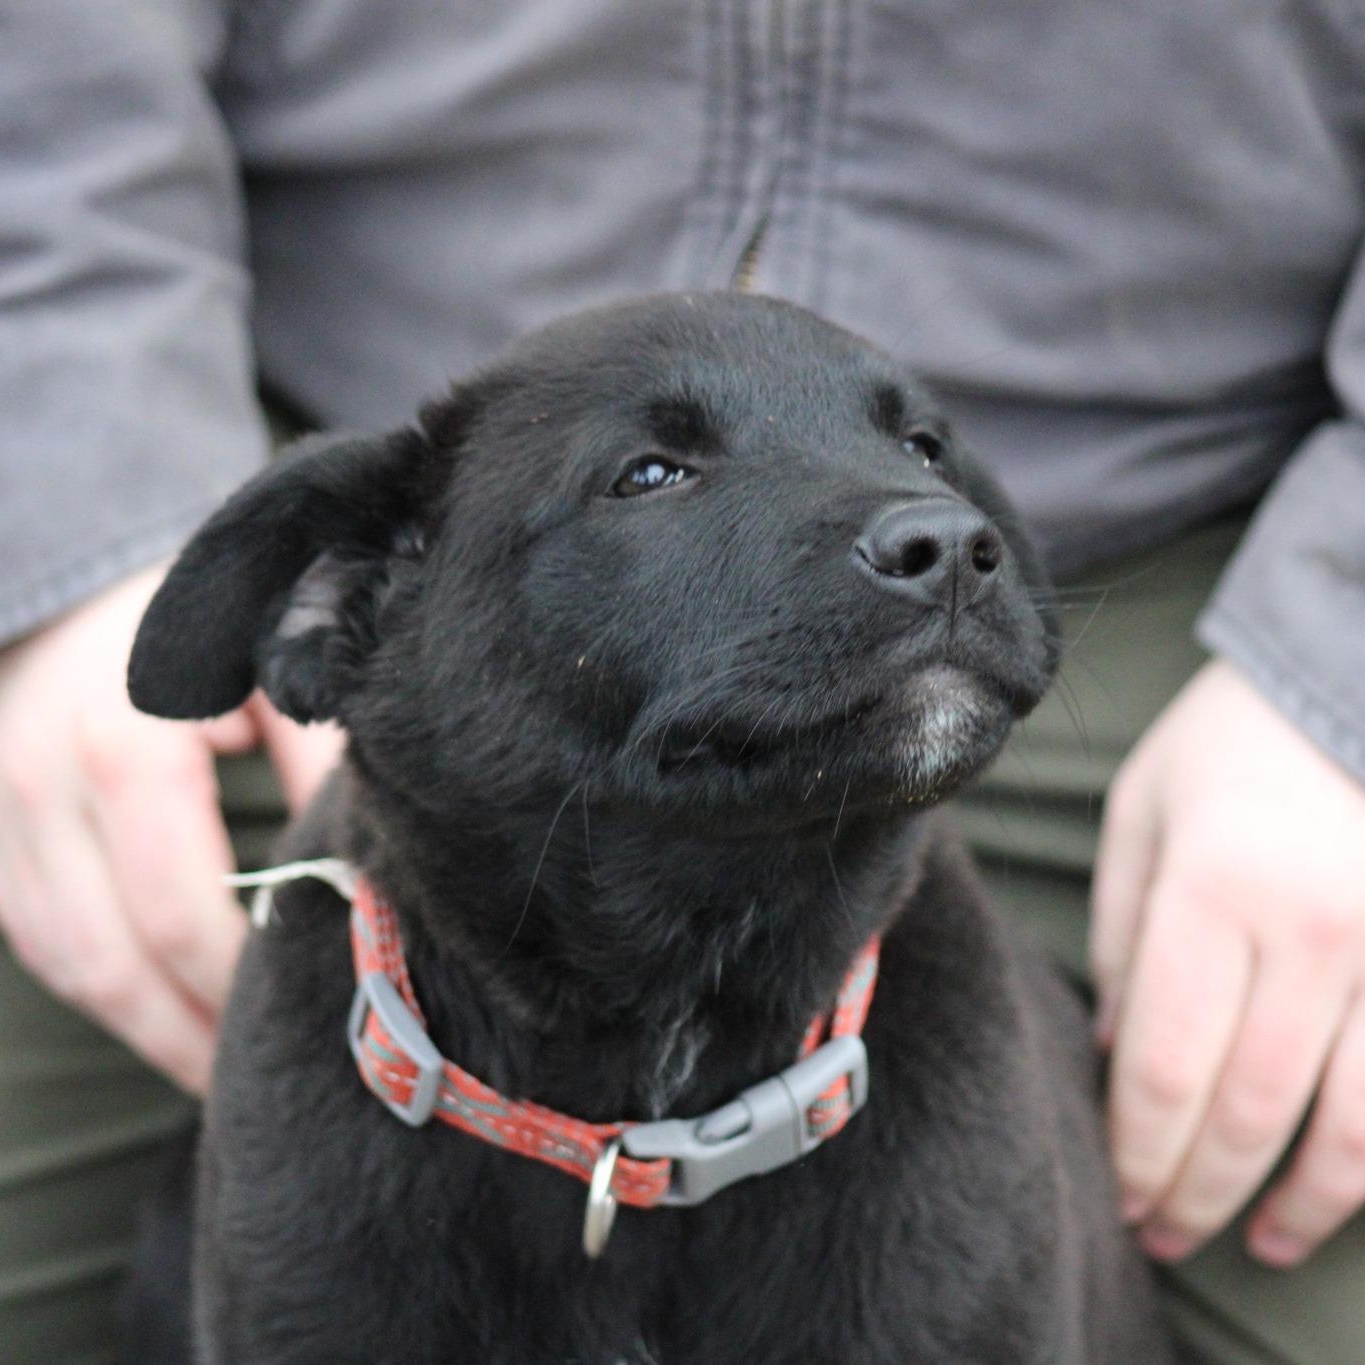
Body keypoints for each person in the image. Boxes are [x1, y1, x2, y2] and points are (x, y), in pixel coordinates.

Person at [1, 2, 1362, 1360]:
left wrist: (1332, 670)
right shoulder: (381, 573)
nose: (932, 522)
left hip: (1200, 578)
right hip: (315, 437)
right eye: (653, 474)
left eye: (922, 455)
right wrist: (81, 511)